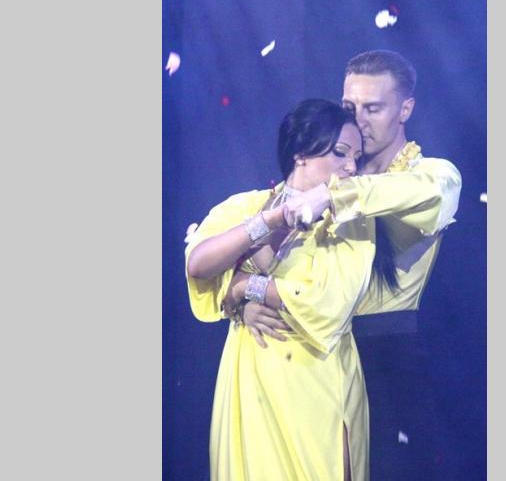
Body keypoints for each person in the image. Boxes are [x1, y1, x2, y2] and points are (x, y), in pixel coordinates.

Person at [238, 50, 462, 477]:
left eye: (373, 108)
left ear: (405, 109)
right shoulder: (325, 171)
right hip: (303, 352)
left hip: (383, 355)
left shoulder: (427, 176)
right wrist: (244, 297)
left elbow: (434, 194)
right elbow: (258, 252)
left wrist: (335, 196)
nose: (358, 120)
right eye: (349, 107)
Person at [186, 99, 380, 481]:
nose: (351, 167)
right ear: (301, 153)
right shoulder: (245, 205)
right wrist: (270, 220)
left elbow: (330, 302)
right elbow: (198, 264)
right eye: (341, 152)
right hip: (251, 378)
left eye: (357, 158)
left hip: (316, 380)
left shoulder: (350, 220)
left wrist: (246, 286)